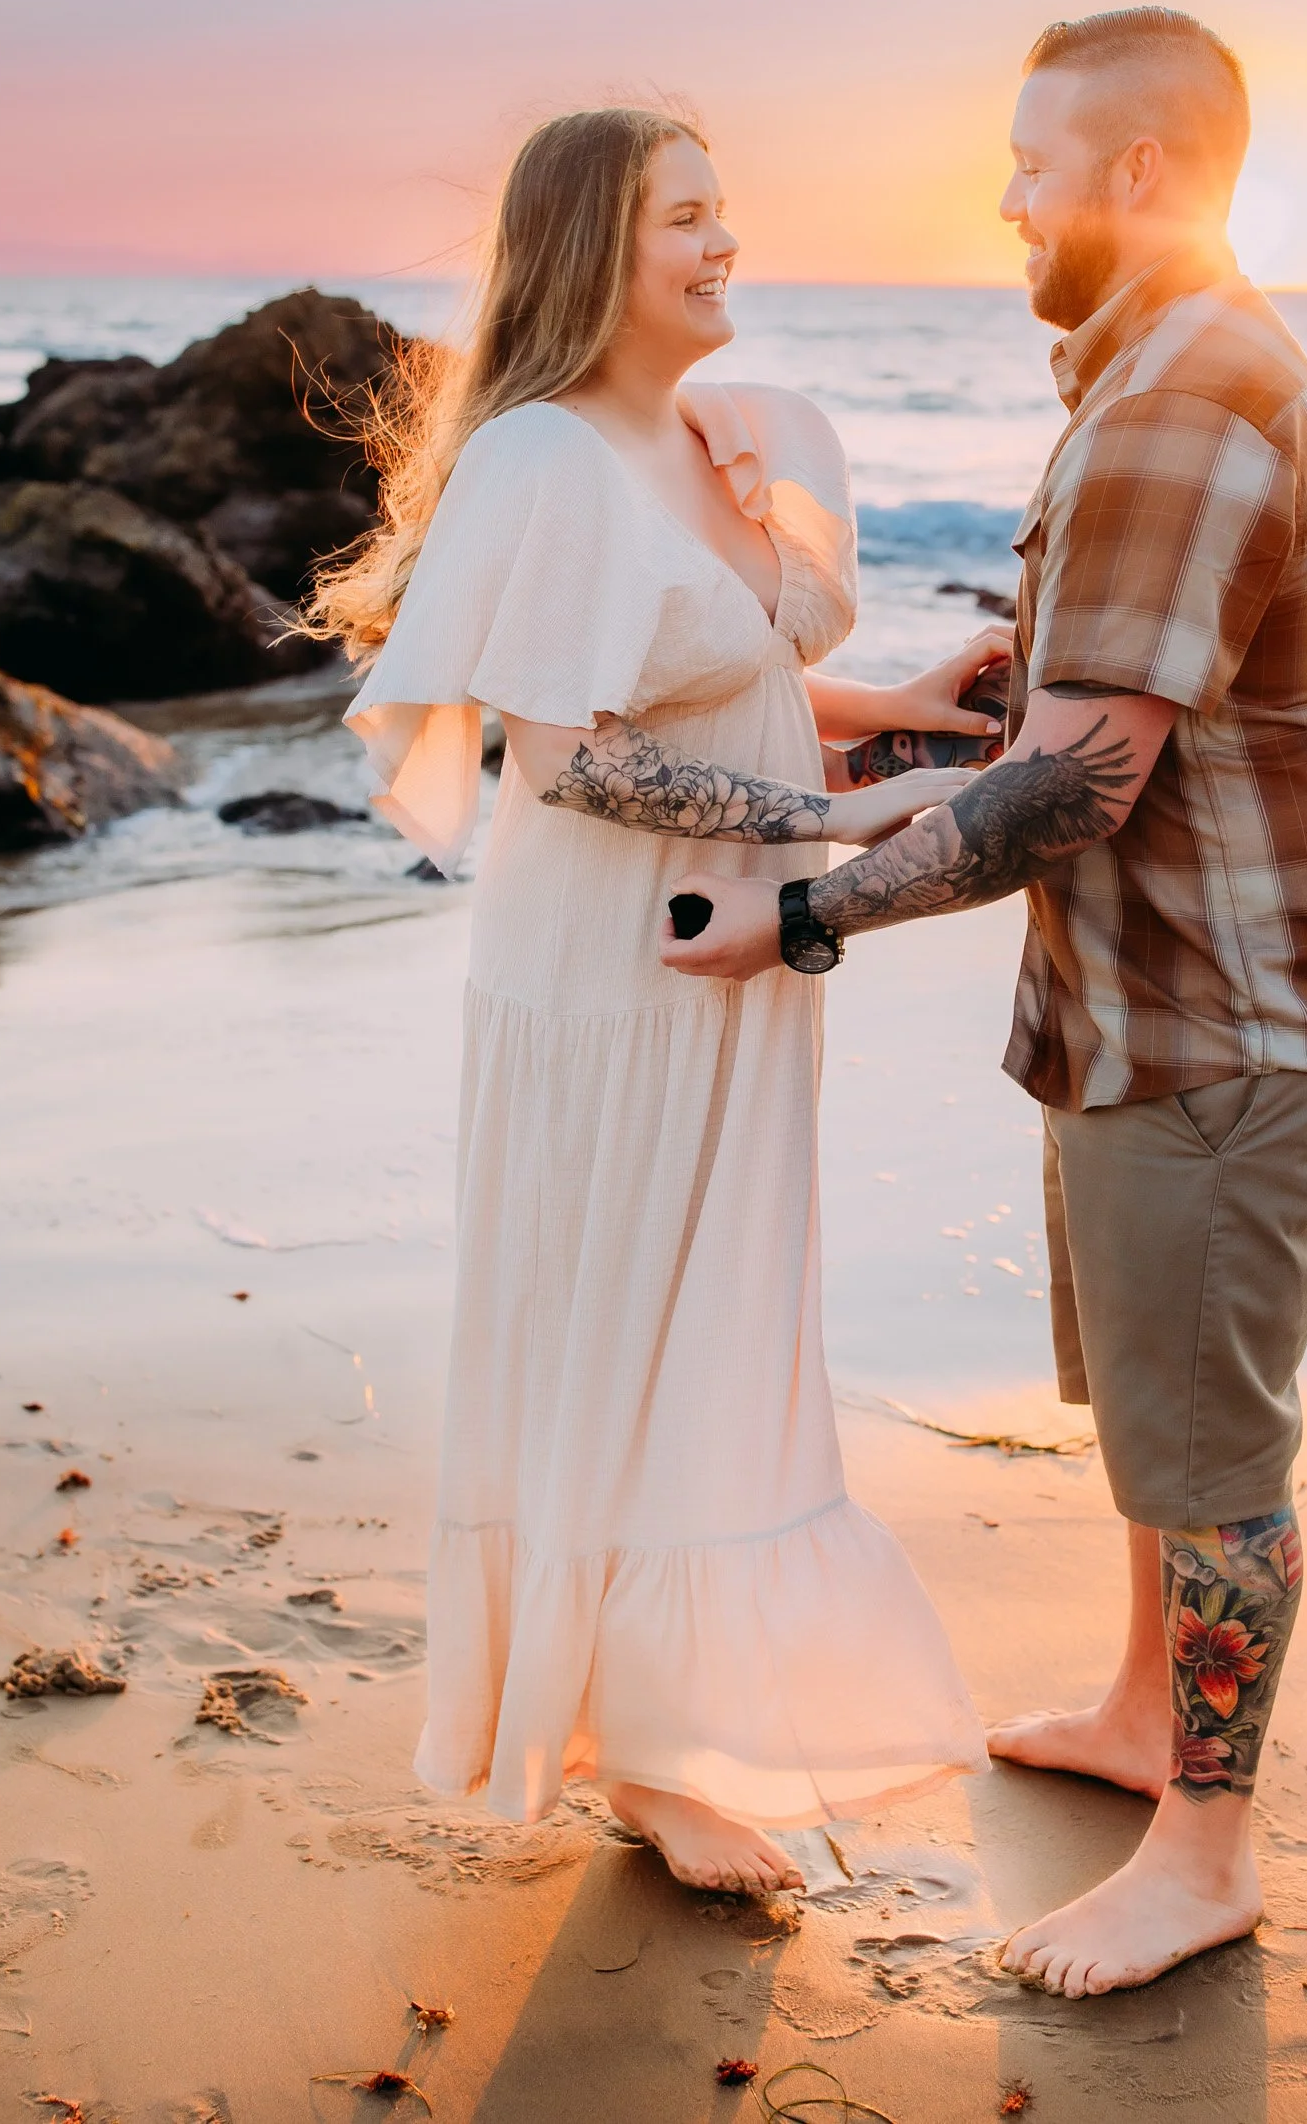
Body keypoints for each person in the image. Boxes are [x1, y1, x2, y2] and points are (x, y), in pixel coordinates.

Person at [660, 9, 1307, 1988]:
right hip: (1156, 1008)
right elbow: (1120, 701)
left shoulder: (1179, 398)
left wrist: (803, 912)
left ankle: (1206, 1844)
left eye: (1029, 160)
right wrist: (988, 683)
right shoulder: (1165, 374)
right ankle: (1130, 1712)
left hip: (1232, 1022)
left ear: (1138, 175)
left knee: (1206, 1449)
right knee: (1150, 1419)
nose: (1002, 195)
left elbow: (1081, 785)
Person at [311, 105, 993, 1897]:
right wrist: (835, 820)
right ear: (592, 245)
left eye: (724, 213)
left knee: (716, 1314)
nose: (725, 244)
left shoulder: (708, 438)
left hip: (737, 948)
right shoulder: (545, 456)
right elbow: (573, 757)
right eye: (687, 217)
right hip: (608, 967)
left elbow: (734, 683)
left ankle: (666, 1725)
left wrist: (902, 706)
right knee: (623, 1320)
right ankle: (636, 1758)